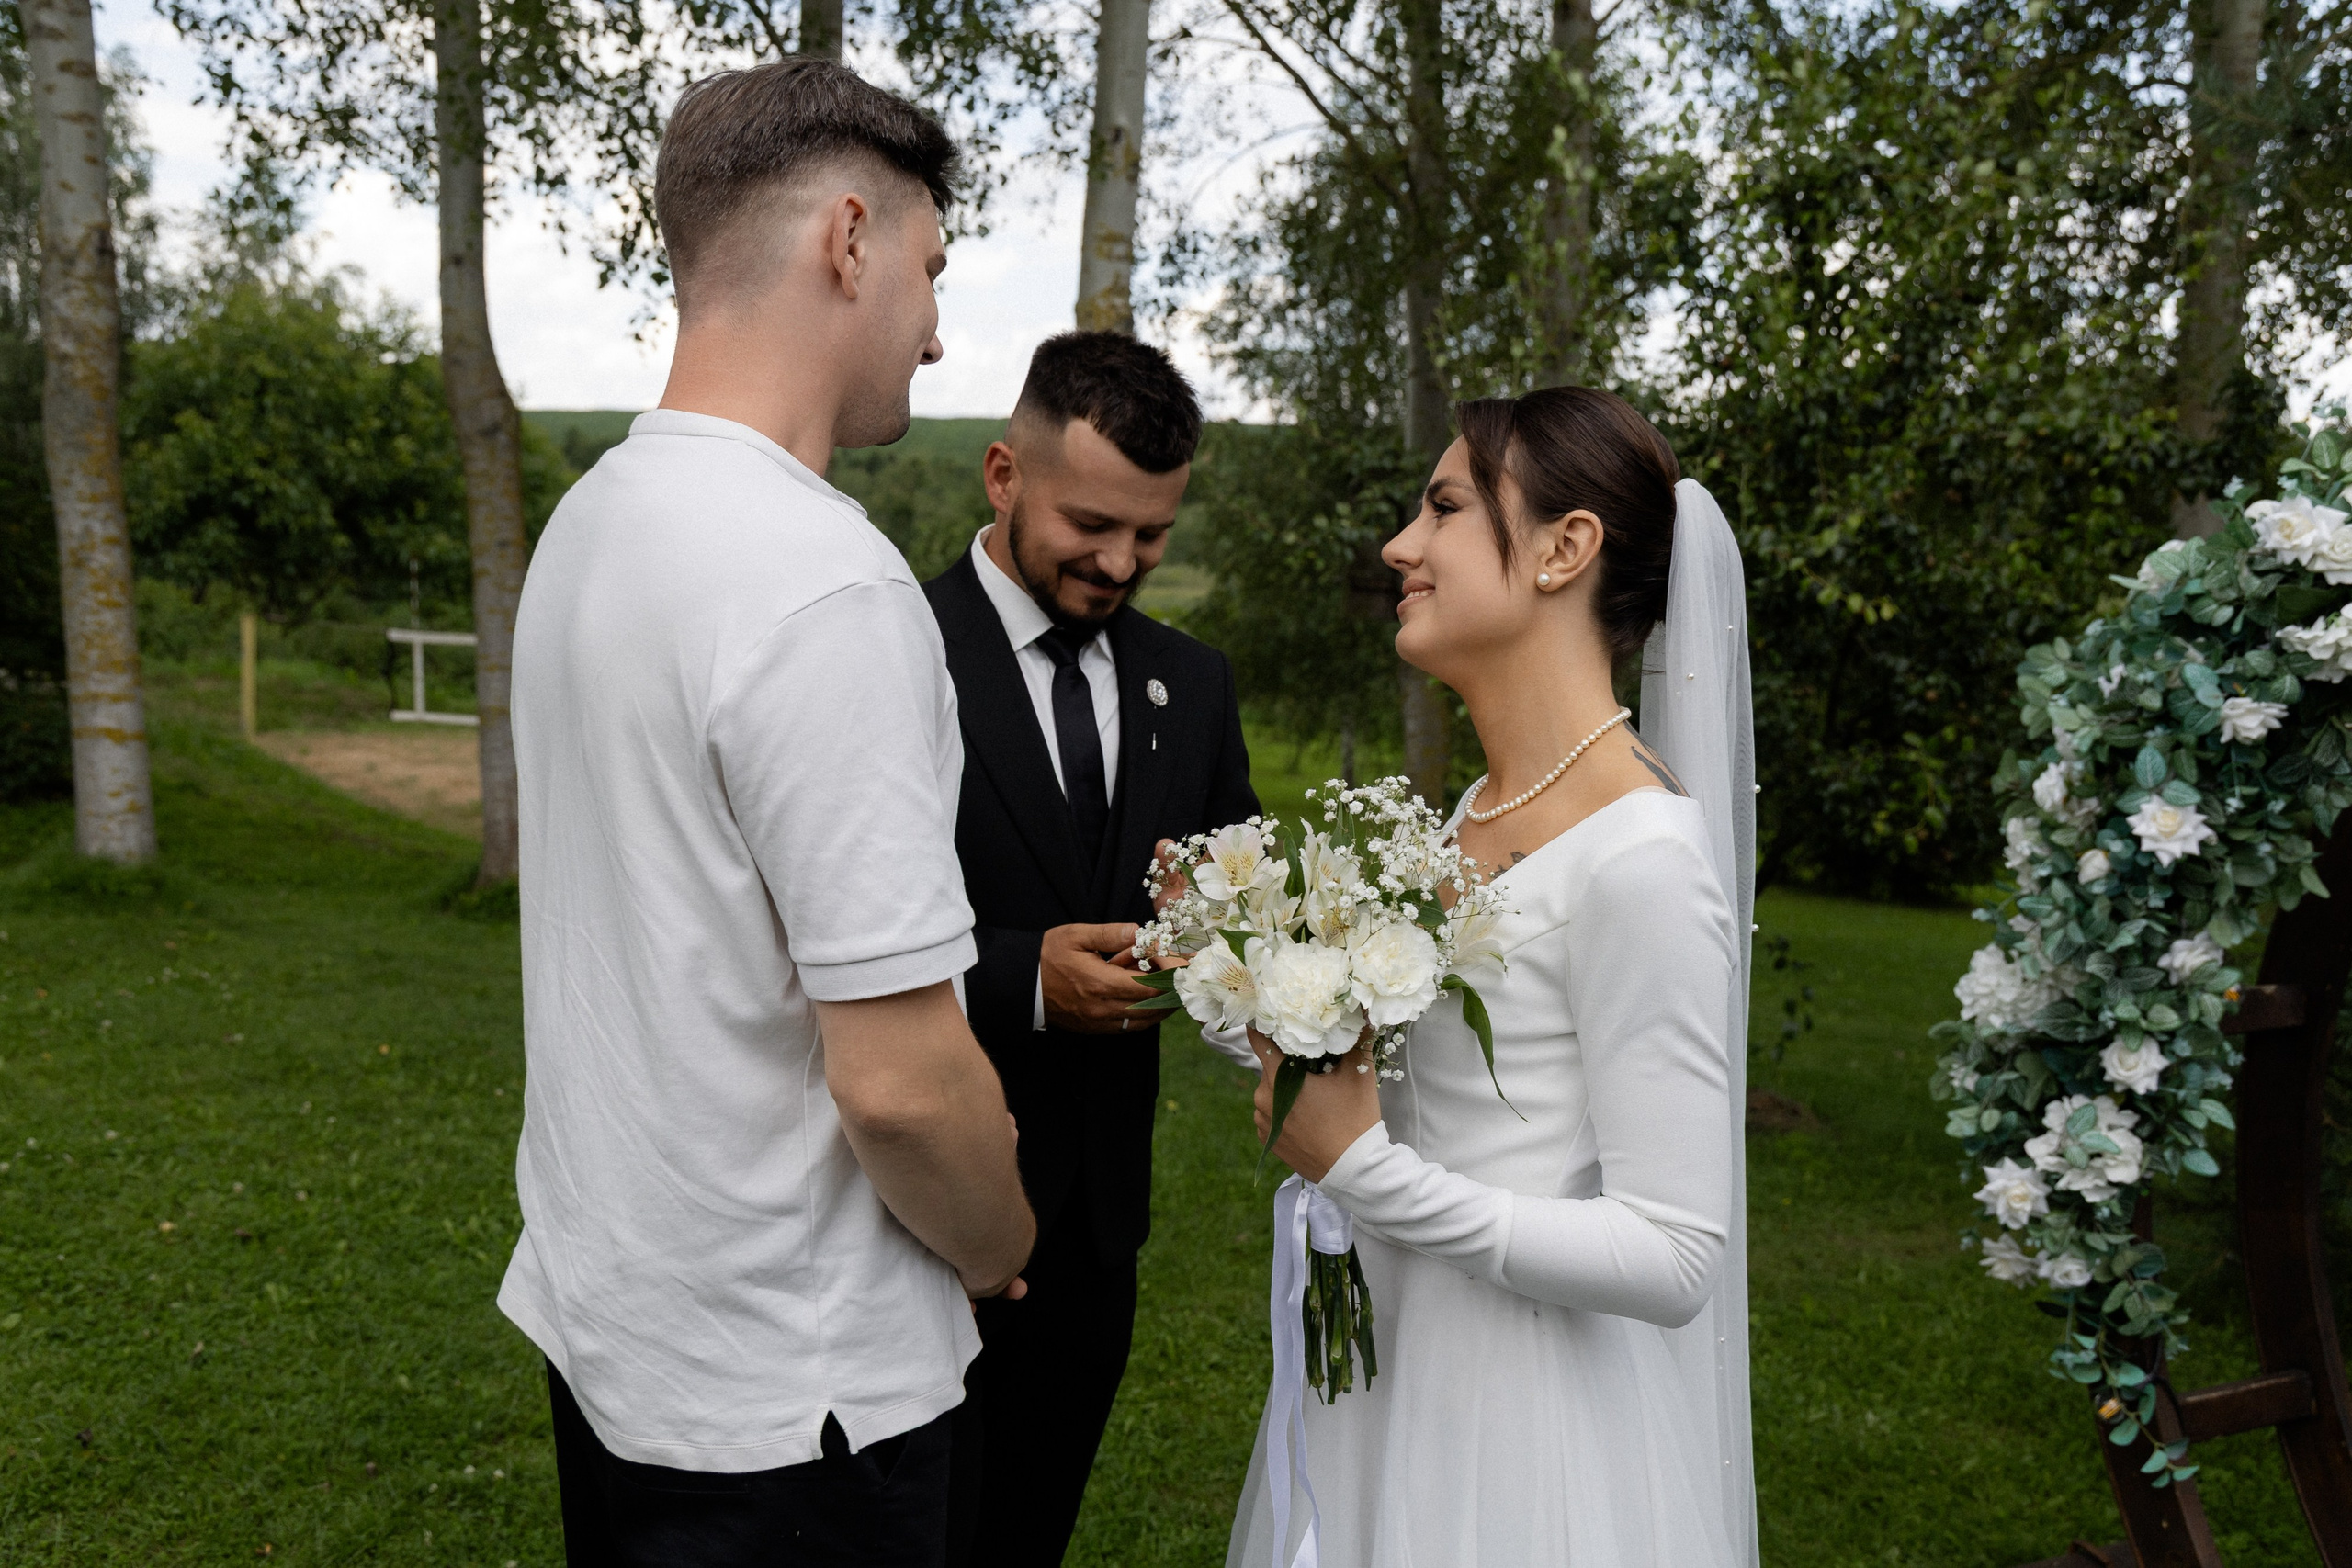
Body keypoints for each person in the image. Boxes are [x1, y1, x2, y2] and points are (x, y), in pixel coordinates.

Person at [501, 60, 1035, 1568]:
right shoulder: (822, 581)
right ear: (848, 240)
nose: (936, 330)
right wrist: (1002, 1244)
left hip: (622, 1343)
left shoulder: (596, 519)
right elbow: (902, 1085)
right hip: (797, 1407)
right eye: (931, 270)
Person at [1227, 387, 1759, 1567]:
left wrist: (1367, 1175)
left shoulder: (1641, 857)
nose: (1399, 546)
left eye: (1445, 507)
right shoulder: (1471, 812)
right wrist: (1254, 1001)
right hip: (1379, 1370)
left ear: (1567, 548)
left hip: (1515, 1426)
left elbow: (1676, 1255)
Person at [922, 331, 1261, 1566]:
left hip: (1097, 1224)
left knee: (1025, 1532)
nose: (1122, 562)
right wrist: (1018, 975)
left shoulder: (1195, 682)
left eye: (1153, 533)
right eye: (1092, 522)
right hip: (918, 1206)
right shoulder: (890, 648)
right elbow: (805, 936)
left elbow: (1239, 894)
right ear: (1004, 473)